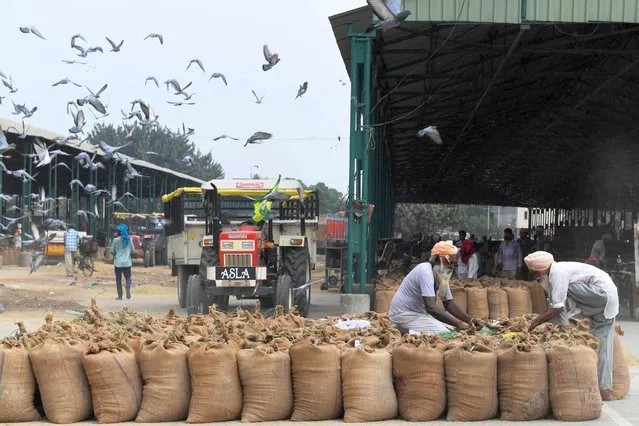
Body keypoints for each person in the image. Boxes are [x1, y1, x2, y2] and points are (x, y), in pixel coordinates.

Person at [524, 251, 619, 401]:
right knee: (602, 345)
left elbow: (557, 307)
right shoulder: (556, 272)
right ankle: (604, 389)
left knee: (557, 298)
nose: (533, 274)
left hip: (602, 295)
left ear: (539, 269)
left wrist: (537, 321)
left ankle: (562, 328)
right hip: (600, 301)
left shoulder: (558, 273)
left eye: (534, 271)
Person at [388, 240, 481, 335]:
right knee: (444, 333)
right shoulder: (425, 270)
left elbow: (449, 304)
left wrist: (470, 320)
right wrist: (459, 323)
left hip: (419, 314)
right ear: (439, 259)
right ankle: (400, 330)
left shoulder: (440, 274)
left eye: (454, 264)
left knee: (451, 328)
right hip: (404, 315)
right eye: (450, 262)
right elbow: (431, 308)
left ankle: (405, 328)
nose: (452, 267)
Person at [110, 224, 133, 300]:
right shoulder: (129, 240)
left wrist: (116, 254)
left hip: (118, 263)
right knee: (128, 278)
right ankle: (128, 289)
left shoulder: (115, 240)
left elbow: (112, 251)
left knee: (118, 279)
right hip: (127, 263)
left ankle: (120, 296)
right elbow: (133, 250)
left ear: (119, 232)